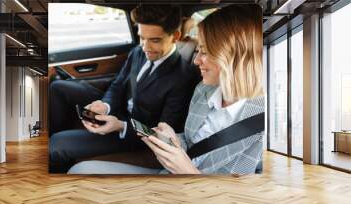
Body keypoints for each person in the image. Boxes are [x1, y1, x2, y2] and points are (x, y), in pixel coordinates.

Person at [68, 4, 265, 175]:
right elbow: (118, 86)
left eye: (204, 52)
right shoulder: (203, 91)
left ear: (234, 56)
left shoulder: (262, 126)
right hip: (163, 165)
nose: (196, 61)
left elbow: (237, 199)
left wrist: (187, 171)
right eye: (141, 38)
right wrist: (173, 138)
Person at [49, 5, 198, 173]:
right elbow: (118, 85)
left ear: (175, 36)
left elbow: (162, 134)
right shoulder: (137, 52)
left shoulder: (183, 78)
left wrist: (121, 126)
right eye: (142, 38)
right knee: (58, 88)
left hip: (133, 134)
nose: (145, 47)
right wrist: (105, 106)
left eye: (154, 40)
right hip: (118, 111)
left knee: (56, 144)